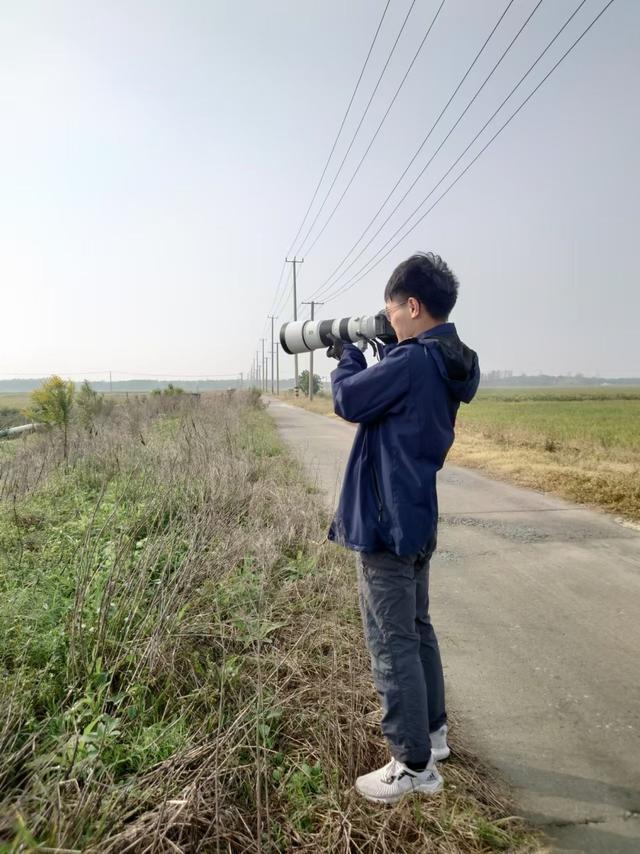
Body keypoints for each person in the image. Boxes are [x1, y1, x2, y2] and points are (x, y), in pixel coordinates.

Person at [326, 252, 480, 805]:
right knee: (418, 631)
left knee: (391, 642)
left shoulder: (412, 363)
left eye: (392, 311)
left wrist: (347, 357)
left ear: (413, 306)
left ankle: (412, 765)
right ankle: (433, 737)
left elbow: (348, 399)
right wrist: (388, 352)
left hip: (387, 521)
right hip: (416, 512)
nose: (387, 319)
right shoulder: (449, 359)